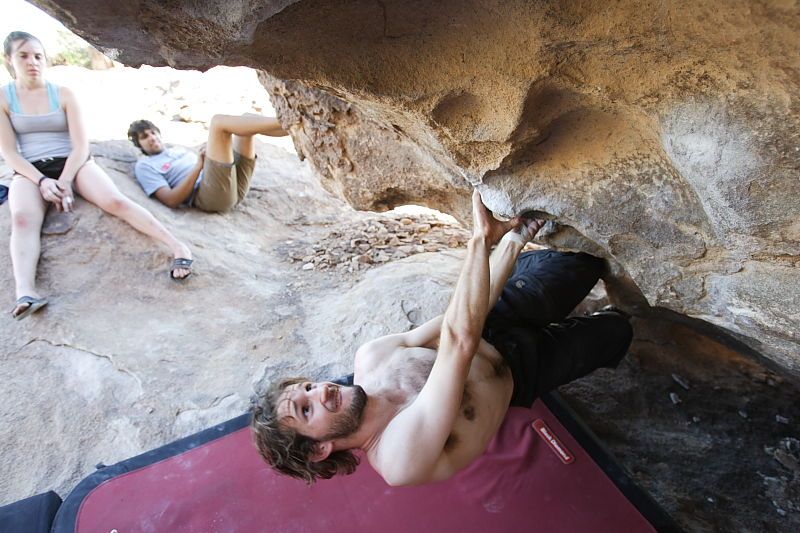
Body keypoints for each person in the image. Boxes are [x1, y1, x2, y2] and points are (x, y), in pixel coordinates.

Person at [251, 190, 634, 486]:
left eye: (308, 387)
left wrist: (515, 240)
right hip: (522, 373)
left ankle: (545, 269)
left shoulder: (372, 359)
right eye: (306, 410)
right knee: (619, 329)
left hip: (497, 317)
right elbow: (458, 344)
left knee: (585, 263)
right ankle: (599, 318)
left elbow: (458, 317)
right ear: (319, 448)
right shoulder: (399, 459)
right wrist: (480, 242)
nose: (321, 392)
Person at [0, 31, 195, 321]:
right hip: (31, 171)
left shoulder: (63, 93)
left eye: (38, 56)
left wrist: (65, 181)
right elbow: (11, 153)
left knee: (114, 201)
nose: (32, 63)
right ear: (9, 60)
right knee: (23, 219)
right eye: (24, 56)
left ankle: (179, 247)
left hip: (74, 163)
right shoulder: (4, 98)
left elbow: (81, 146)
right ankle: (26, 291)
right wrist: (42, 181)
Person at [127, 112, 287, 212]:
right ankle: (288, 119)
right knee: (218, 123)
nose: (152, 138)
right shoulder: (145, 165)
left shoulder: (175, 150)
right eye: (144, 137)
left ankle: (296, 126)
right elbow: (171, 200)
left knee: (246, 119)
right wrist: (198, 167)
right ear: (138, 144)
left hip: (230, 185)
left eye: (153, 133)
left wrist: (211, 152)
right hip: (209, 196)